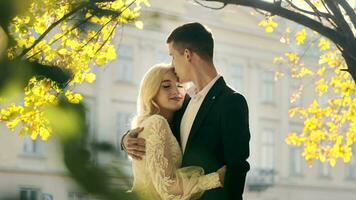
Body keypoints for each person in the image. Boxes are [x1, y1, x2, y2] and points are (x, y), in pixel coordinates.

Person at [122, 22, 250, 200]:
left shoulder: (231, 102)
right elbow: (157, 129)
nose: (172, 65)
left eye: (173, 56)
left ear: (188, 55)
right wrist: (128, 139)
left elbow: (236, 168)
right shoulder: (183, 104)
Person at [128, 63, 226, 200]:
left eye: (180, 85)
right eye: (166, 86)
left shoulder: (167, 122)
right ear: (151, 91)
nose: (176, 91)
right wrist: (216, 178)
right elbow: (167, 188)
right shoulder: (157, 122)